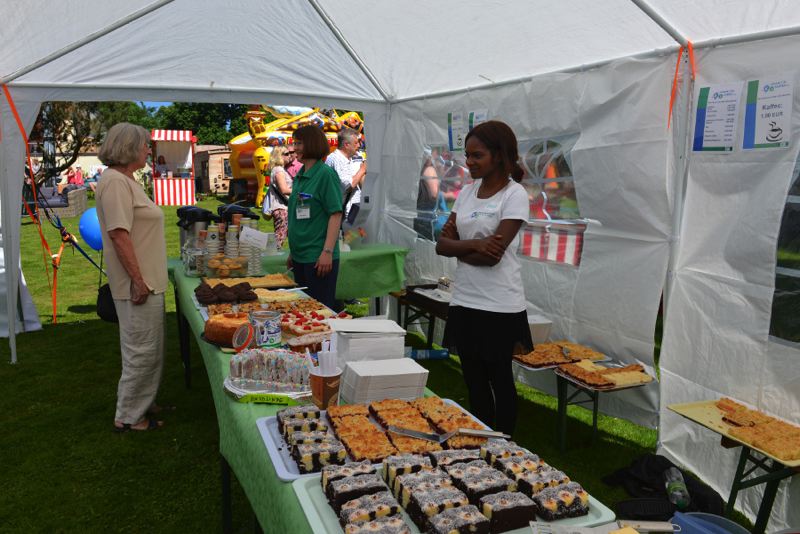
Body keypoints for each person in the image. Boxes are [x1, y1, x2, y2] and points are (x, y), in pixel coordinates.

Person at [435, 120, 532, 435]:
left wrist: (458, 249)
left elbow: (493, 257)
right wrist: (476, 243)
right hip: (465, 300)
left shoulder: (514, 195)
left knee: (500, 379)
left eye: (477, 155)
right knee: (473, 380)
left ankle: (504, 444)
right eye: (467, 155)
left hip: (500, 305)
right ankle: (480, 439)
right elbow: (441, 244)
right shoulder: (466, 193)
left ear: (499, 155)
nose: (469, 162)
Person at [96, 123, 169, 432]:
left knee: (149, 349)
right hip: (137, 284)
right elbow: (119, 235)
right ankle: (128, 417)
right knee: (140, 351)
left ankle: (143, 402)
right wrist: (138, 280)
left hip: (148, 281)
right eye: (144, 146)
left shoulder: (126, 180)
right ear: (128, 148)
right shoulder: (114, 182)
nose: (147, 150)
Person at [286, 125, 343, 310]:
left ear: (312, 144)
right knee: (303, 312)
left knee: (319, 314)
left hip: (318, 258)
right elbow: (298, 217)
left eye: (300, 143)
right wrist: (292, 252)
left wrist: (327, 252)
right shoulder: (300, 176)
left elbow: (335, 214)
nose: (295, 148)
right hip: (300, 256)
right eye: (295, 143)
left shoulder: (325, 174)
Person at [325, 128, 366, 226]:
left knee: (356, 238)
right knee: (351, 239)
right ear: (346, 145)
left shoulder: (349, 158)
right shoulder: (337, 159)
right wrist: (363, 169)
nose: (359, 146)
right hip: (344, 212)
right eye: (356, 143)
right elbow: (348, 185)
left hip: (352, 209)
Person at [267, 146, 292, 250]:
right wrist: (301, 191)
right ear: (279, 156)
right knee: (279, 237)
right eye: (286, 154)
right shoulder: (279, 170)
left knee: (280, 236)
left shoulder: (278, 169)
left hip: (281, 207)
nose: (290, 155)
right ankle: (272, 258)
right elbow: (284, 190)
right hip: (281, 208)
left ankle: (274, 256)